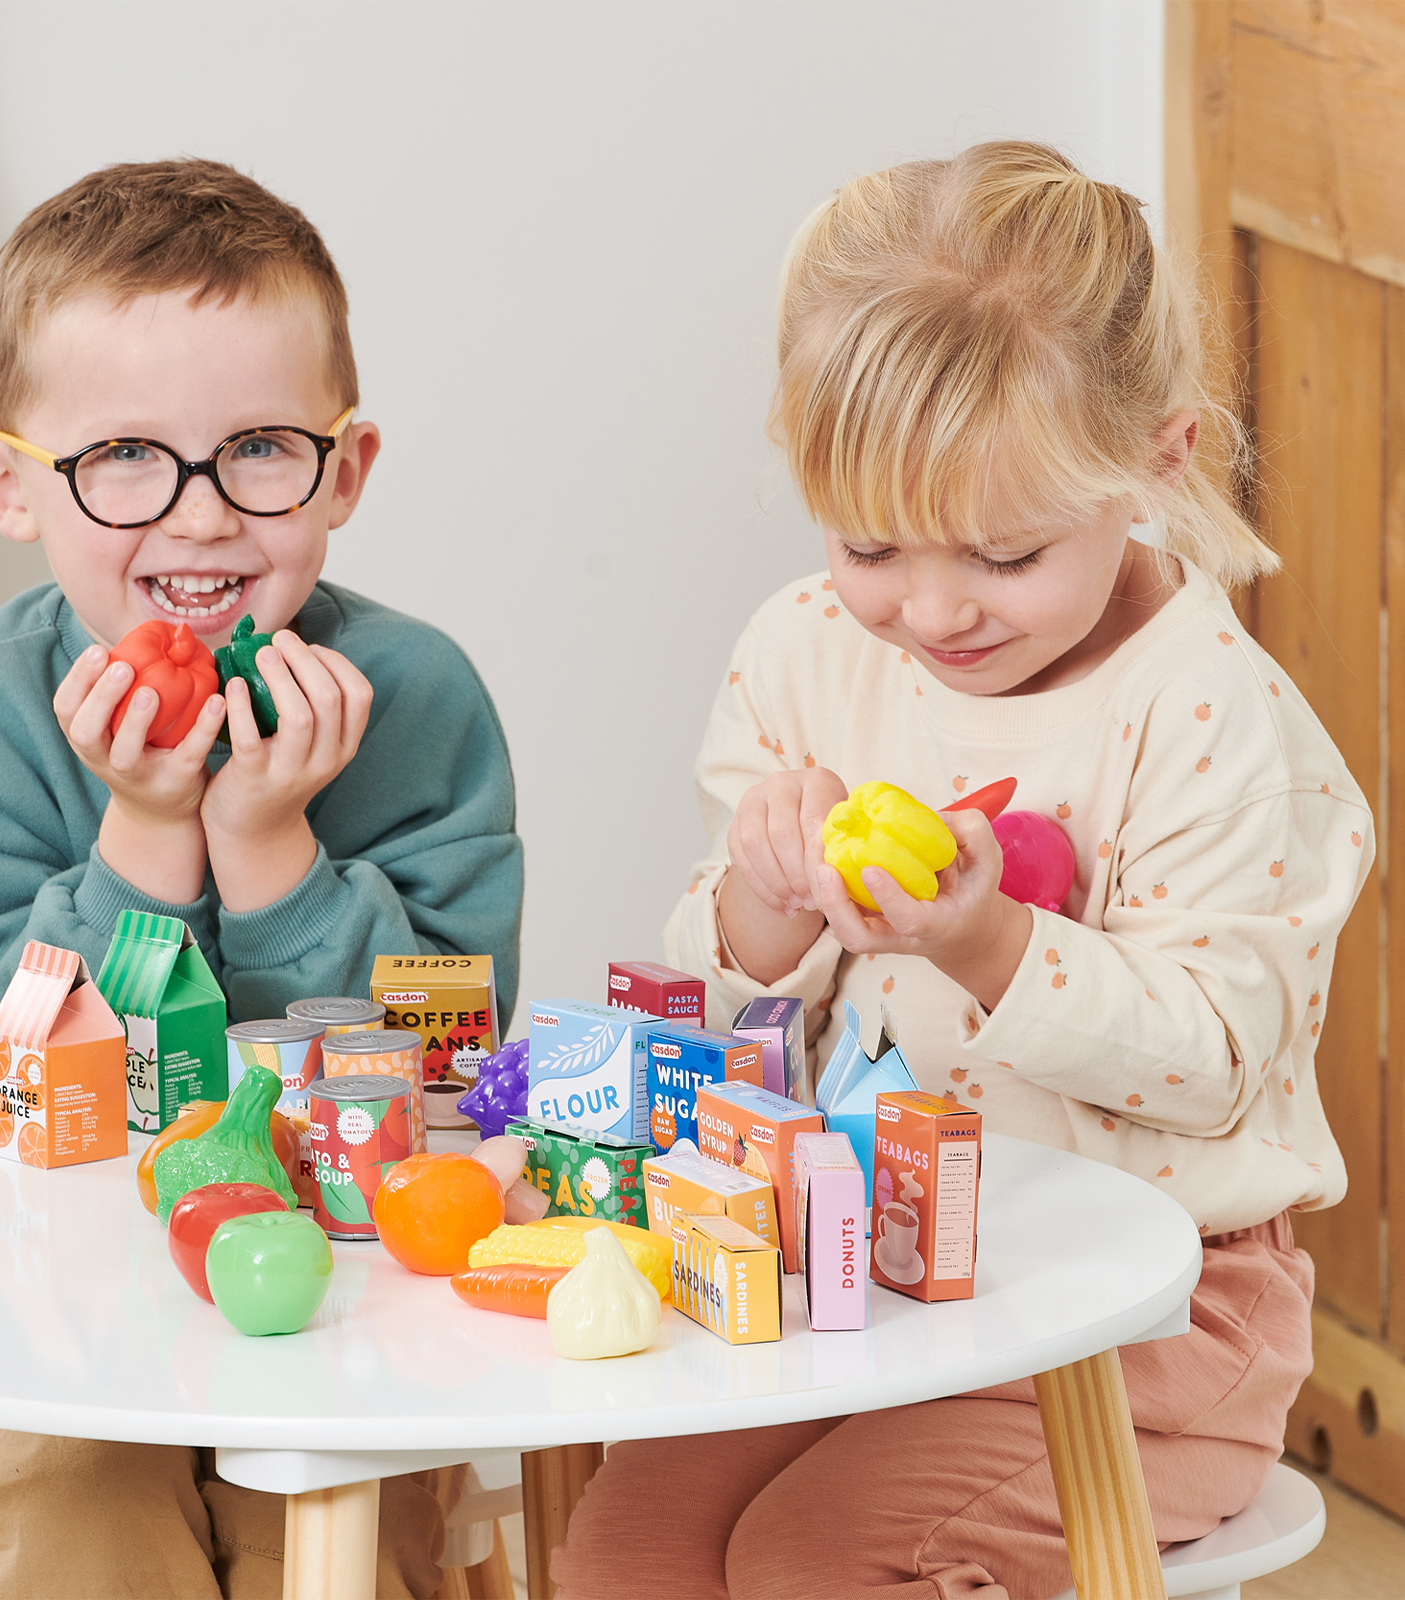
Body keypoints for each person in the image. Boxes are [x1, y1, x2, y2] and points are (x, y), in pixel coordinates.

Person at [553, 142, 1370, 1600]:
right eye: (872, 543)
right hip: (862, 1260)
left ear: (1155, 461)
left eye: (1002, 555)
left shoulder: (1212, 717)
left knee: (817, 1562)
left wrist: (985, 942)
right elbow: (711, 1004)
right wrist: (760, 899)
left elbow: (1213, 1062)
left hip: (1158, 1312)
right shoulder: (809, 650)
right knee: (630, 1548)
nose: (932, 612)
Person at [0, 159, 522, 1600]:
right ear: (9, 486)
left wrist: (274, 854)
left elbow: (444, 1066)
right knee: (77, 1530)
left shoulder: (417, 699)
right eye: (124, 457)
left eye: (260, 449)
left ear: (346, 469)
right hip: (8, 1257)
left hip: (335, 1250)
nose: (202, 516)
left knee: (324, 1540)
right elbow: (9, 1085)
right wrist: (145, 834)